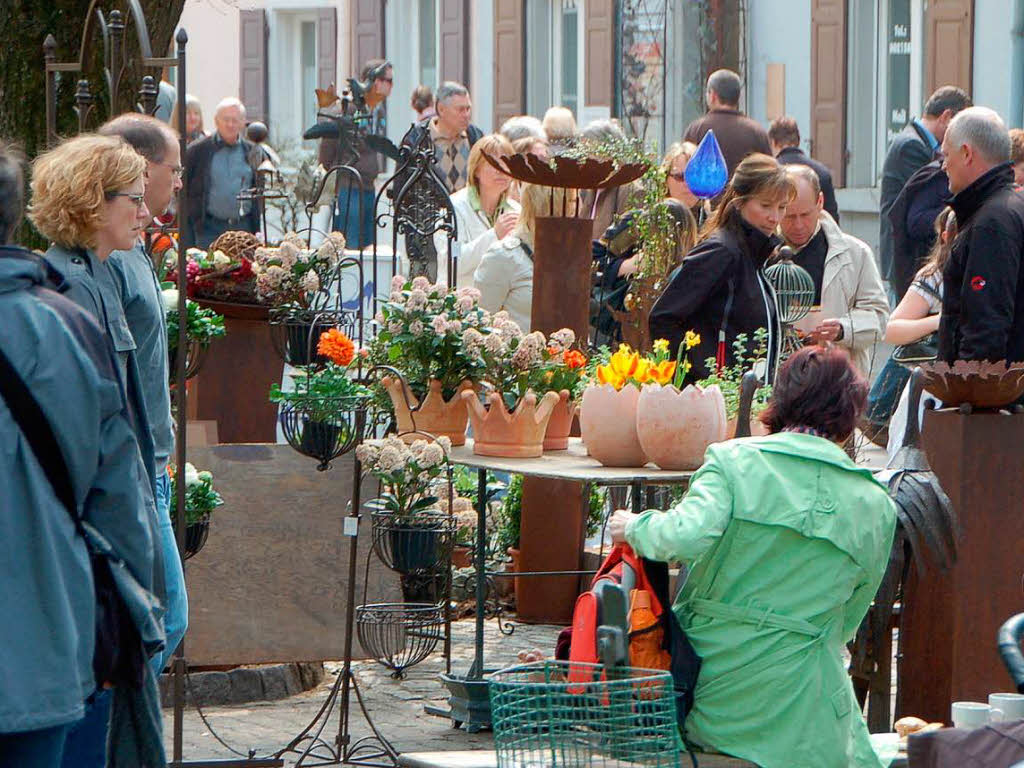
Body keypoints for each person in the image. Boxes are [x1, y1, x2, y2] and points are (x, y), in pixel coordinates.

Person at [609, 345, 896, 768]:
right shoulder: (875, 502)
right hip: (809, 709)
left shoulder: (733, 461)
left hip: (718, 695)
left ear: (780, 400)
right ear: (850, 413)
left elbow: (683, 537)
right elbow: (848, 618)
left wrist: (633, 526)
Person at [0, 142, 159, 768]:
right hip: (46, 647)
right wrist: (132, 622)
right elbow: (120, 499)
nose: (147, 211)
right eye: (136, 197)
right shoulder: (66, 325)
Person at [99, 113, 188, 677]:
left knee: (162, 620)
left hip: (150, 459)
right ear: (141, 166)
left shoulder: (135, 248)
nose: (179, 181)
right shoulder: (106, 260)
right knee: (165, 619)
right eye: (173, 170)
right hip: (132, 465)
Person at [649, 153, 792, 383]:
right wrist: (698, 383)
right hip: (715, 404)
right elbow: (663, 318)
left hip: (742, 402)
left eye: (782, 207)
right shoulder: (723, 251)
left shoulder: (754, 253)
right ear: (739, 201)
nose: (774, 217)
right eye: (765, 205)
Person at [779, 164, 888, 375]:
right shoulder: (763, 253)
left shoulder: (857, 253)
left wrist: (843, 329)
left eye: (806, 214)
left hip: (838, 381)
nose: (799, 225)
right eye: (790, 216)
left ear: (820, 202)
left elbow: (880, 318)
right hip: (779, 377)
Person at [937, 106, 1024, 363]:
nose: (943, 165)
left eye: (946, 155)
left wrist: (968, 394)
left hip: (993, 397)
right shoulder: (1009, 208)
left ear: (966, 153)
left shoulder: (992, 222)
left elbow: (986, 327)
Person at [879, 86, 971, 298]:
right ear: (946, 117)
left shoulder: (914, 141)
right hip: (906, 256)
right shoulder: (912, 145)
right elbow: (924, 200)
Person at [885, 208, 954, 458]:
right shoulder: (934, 276)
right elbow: (892, 330)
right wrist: (939, 321)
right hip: (930, 386)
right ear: (946, 236)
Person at [473, 183, 573, 331]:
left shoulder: (571, 254)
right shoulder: (503, 256)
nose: (575, 211)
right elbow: (481, 324)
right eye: (570, 203)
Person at [319, 59, 392, 248]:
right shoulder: (348, 109)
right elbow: (328, 144)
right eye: (388, 80)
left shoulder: (378, 110)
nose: (391, 86)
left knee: (368, 246)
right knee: (350, 245)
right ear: (375, 81)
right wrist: (332, 173)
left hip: (368, 184)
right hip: (348, 184)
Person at [432, 133, 520, 288]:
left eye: (507, 163)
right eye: (493, 163)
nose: (501, 169)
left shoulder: (516, 210)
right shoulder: (453, 208)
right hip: (460, 304)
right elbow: (453, 260)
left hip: (501, 305)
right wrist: (493, 235)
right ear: (476, 170)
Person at [183, 96, 263, 248]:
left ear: (243, 122)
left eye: (235, 120)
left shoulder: (253, 152)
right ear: (216, 121)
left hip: (244, 228)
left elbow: (260, 190)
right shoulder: (197, 151)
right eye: (226, 119)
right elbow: (184, 191)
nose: (230, 124)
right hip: (209, 230)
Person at [399, 81, 484, 195]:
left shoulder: (475, 137)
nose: (466, 115)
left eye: (468, 109)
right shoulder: (416, 140)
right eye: (460, 109)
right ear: (441, 109)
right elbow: (401, 189)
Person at [683, 69, 771, 178]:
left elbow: (686, 168)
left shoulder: (696, 129)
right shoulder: (757, 132)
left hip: (706, 194)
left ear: (713, 96)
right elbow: (770, 174)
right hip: (746, 194)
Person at [576, 119, 642, 239]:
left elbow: (627, 243)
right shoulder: (591, 189)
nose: (583, 161)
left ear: (610, 153)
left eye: (588, 153)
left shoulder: (631, 190)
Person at [769, 115, 840, 224]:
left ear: (773, 142)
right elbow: (832, 220)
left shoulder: (769, 174)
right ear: (798, 140)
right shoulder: (822, 173)